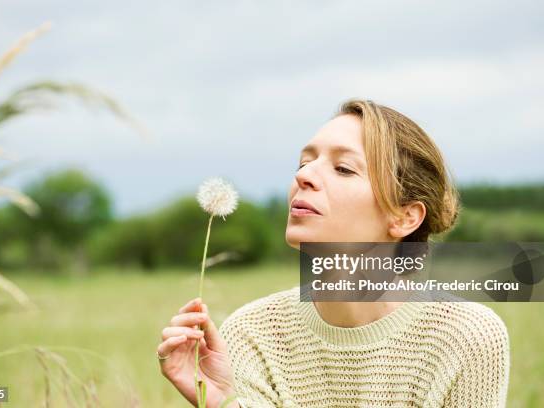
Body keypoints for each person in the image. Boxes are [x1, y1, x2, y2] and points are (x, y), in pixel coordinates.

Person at [157, 99, 510, 407]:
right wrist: (228, 404)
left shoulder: (468, 337)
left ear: (404, 217)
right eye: (303, 163)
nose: (305, 176)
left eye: (343, 168)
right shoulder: (250, 335)